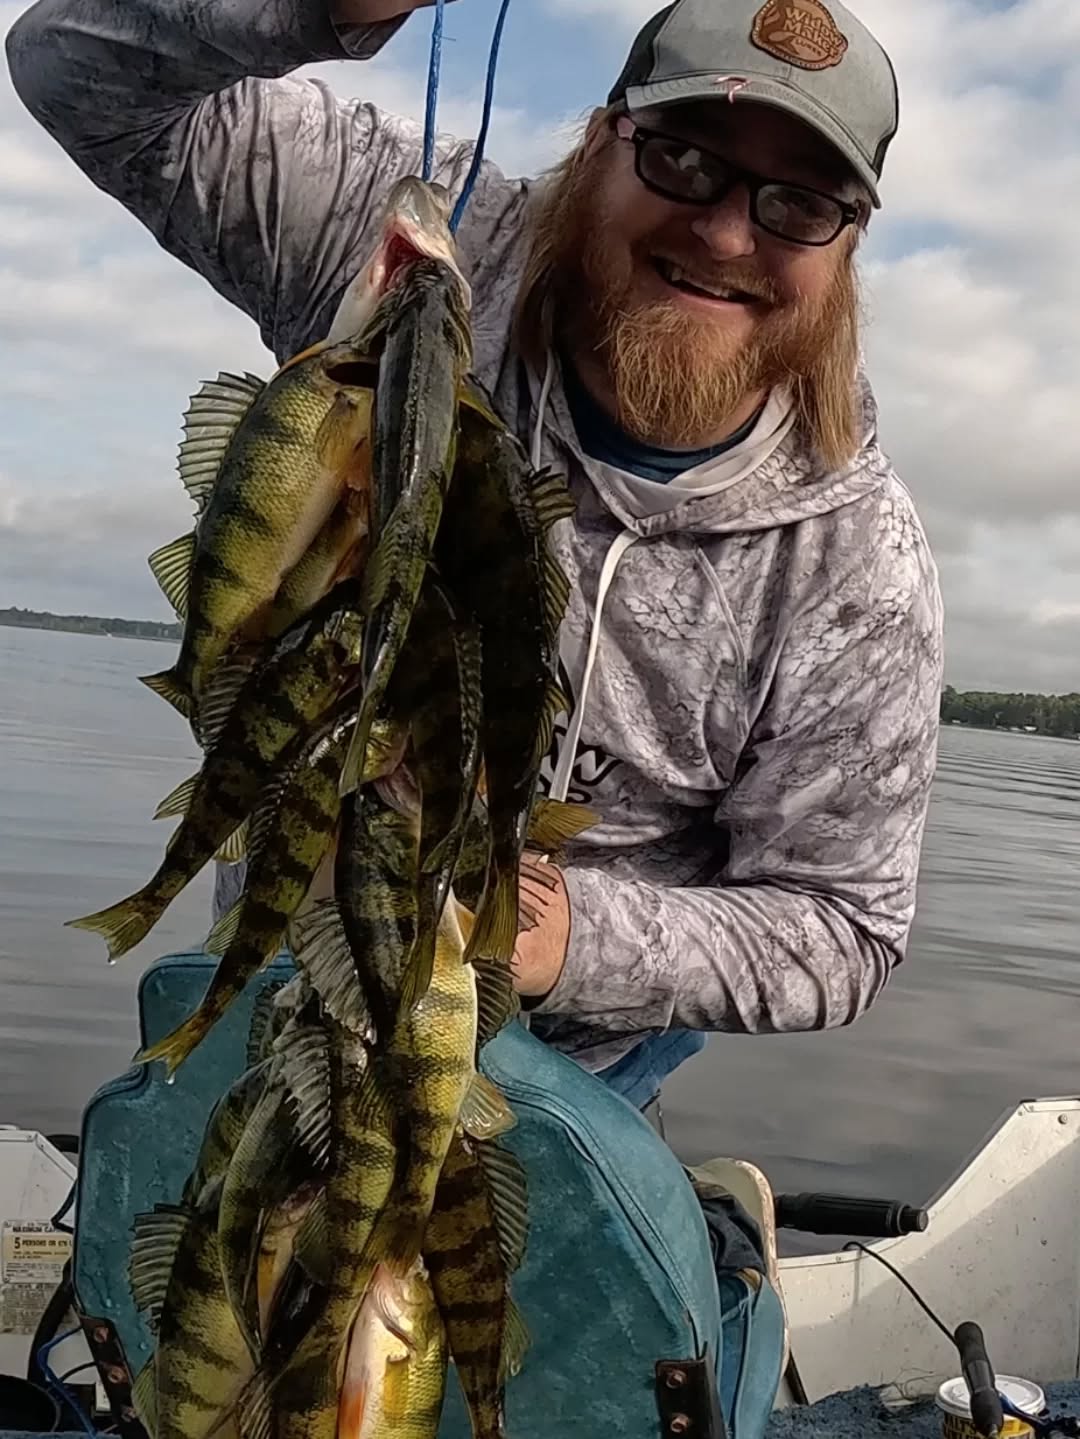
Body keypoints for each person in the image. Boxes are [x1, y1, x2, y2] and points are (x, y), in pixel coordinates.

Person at [7, 0, 943, 1114]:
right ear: (600, 144)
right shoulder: (414, 241)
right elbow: (67, 66)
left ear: (847, 244)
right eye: (685, 158)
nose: (729, 235)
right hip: (280, 1003)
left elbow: (843, 928)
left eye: (801, 203)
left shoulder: (859, 570)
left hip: (571, 1087)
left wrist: (558, 935)